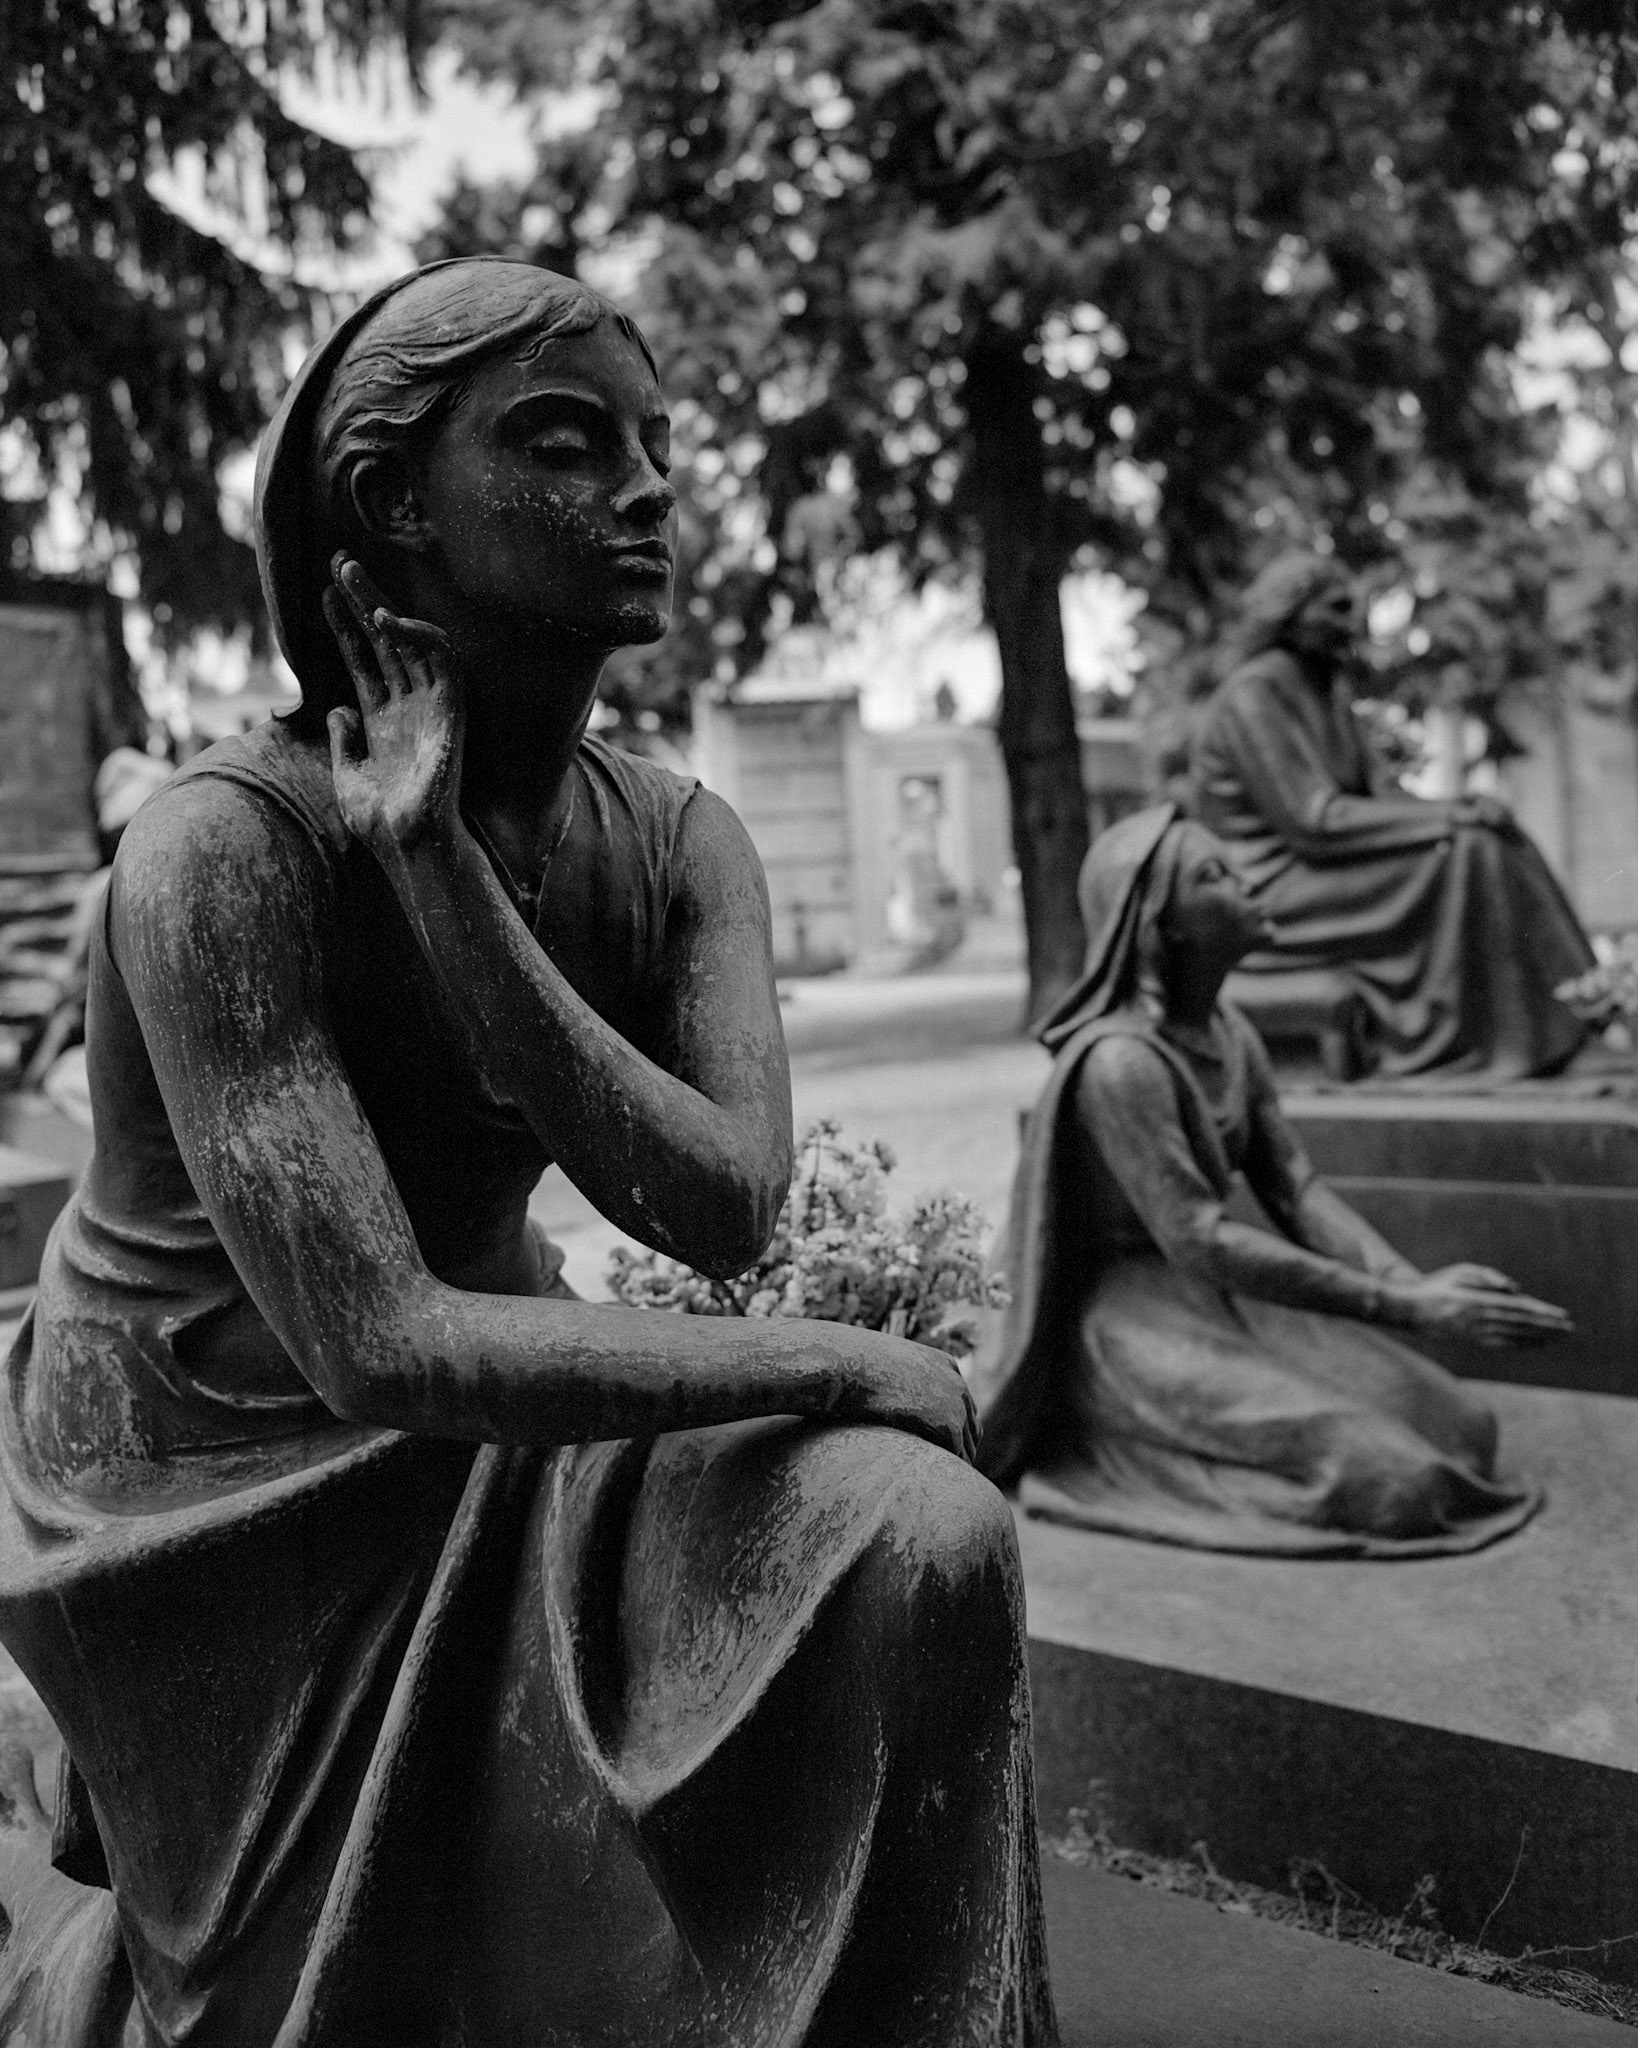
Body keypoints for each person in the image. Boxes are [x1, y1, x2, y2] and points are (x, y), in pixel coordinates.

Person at [0, 259, 1057, 2047]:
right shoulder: (220, 852)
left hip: (515, 1410)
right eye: (566, 445)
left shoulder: (677, 842)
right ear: (387, 507)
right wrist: (838, 1358)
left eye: (655, 443)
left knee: (928, 1537)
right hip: (214, 1493)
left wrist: (452, 890)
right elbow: (378, 1342)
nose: (644, 488)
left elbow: (720, 1207)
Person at [973, 803, 1567, 1556]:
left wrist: (1415, 1285)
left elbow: (1297, 1187)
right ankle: (1128, 1453)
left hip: (1225, 1304)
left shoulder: (1231, 1034)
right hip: (1131, 1325)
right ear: (1162, 925)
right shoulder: (1122, 1066)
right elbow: (1200, 1239)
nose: (1249, 884)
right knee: (1401, 1484)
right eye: (1215, 876)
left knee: (1465, 1431)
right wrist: (1405, 1307)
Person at [1191, 551, 1595, 1082]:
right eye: (1335, 609)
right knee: (1467, 852)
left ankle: (1575, 1017)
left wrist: (1459, 808)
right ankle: (1487, 1044)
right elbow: (1314, 821)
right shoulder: (1255, 694)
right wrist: (1448, 826)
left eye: (1354, 608)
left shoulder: (1329, 689)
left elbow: (1384, 793)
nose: (1352, 623)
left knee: (1490, 835)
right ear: (1289, 616)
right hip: (1266, 884)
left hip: (1320, 866)